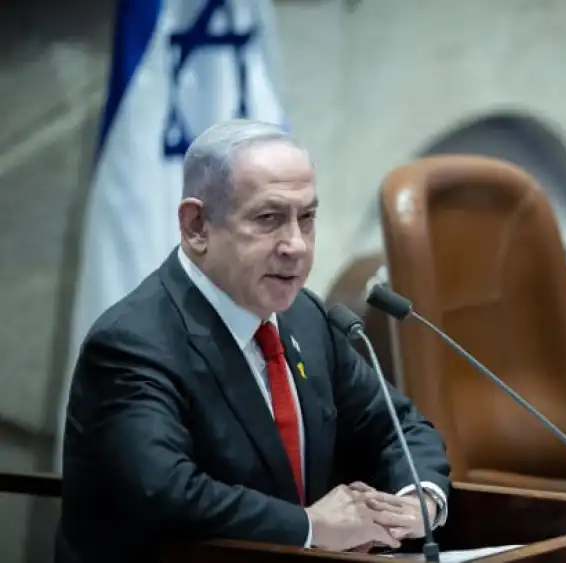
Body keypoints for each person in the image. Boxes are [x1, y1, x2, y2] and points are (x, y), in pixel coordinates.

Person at [56, 119, 451, 562]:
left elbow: (397, 426)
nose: (296, 245)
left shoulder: (306, 317)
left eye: (307, 218)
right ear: (197, 226)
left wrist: (417, 501)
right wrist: (312, 527)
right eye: (269, 219)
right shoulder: (131, 345)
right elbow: (166, 492)